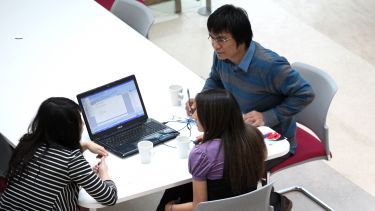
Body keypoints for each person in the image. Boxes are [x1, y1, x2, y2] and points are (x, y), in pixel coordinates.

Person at [185, 4, 315, 169]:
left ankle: (256, 194)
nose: (215, 45)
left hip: (272, 139)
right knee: (199, 156)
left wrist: (268, 116)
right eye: (212, 37)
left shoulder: (269, 66)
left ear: (242, 38)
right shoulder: (221, 55)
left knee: (215, 167)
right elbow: (216, 79)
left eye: (222, 39)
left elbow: (305, 93)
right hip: (240, 130)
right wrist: (202, 101)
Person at [157, 89, 267, 211]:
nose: (193, 115)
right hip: (245, 205)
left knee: (169, 197)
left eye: (198, 111)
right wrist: (215, 136)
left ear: (213, 118)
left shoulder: (201, 154)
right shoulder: (255, 135)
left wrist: (170, 208)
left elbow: (198, 206)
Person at [0, 97, 118, 210]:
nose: (82, 124)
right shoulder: (72, 160)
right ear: (69, 129)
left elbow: (53, 164)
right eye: (79, 120)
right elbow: (110, 198)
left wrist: (85, 145)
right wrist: (104, 173)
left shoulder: (27, 142)